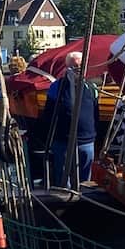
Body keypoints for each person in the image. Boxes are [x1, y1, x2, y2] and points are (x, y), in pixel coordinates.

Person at [40, 51, 99, 185]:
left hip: (86, 141)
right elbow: (48, 114)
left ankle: (84, 200)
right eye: (75, 67)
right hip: (63, 142)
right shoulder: (56, 87)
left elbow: (96, 114)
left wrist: (95, 135)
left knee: (85, 181)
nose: (78, 70)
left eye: (81, 66)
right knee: (63, 178)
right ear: (67, 68)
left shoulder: (91, 87)